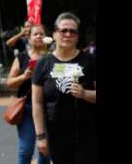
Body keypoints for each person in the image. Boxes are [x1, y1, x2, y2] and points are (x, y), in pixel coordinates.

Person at [32, 12, 96, 164]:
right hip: (56, 135)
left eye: (72, 31)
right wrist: (40, 136)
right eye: (63, 30)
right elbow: (37, 103)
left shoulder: (90, 61)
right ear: (54, 34)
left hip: (88, 135)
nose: (68, 34)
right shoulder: (43, 64)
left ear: (77, 36)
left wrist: (84, 93)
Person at [6, 24, 51, 164]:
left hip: (49, 110)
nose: (39, 36)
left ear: (47, 38)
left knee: (45, 151)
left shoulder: (53, 58)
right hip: (27, 109)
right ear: (29, 38)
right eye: (35, 34)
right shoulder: (22, 57)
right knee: (25, 150)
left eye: (41, 34)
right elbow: (9, 83)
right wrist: (24, 76)